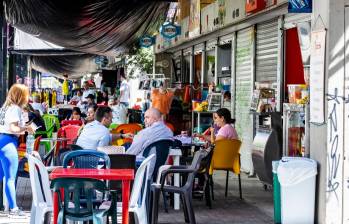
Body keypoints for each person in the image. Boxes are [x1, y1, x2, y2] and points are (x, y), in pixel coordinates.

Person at [0, 84, 35, 216]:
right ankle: (14, 209)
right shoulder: (15, 108)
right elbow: (13, 129)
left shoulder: (5, 107)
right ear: (21, 95)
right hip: (8, 143)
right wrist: (27, 129)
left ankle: (12, 207)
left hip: (1, 140)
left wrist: (24, 126)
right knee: (10, 178)